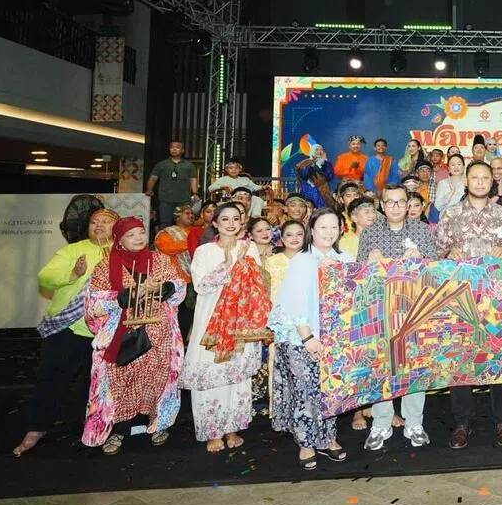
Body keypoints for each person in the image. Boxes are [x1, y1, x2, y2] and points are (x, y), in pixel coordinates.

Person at [13, 208, 119, 457]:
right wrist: (74, 273)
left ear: (117, 227)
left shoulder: (124, 252)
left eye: (105, 222)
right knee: (52, 379)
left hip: (107, 331)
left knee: (97, 385)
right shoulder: (73, 250)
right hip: (69, 328)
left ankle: (95, 429)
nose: (98, 225)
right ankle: (37, 427)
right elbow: (45, 278)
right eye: (94, 222)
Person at [82, 217, 186, 454]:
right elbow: (95, 303)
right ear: (119, 240)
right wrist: (130, 295)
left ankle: (158, 424)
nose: (138, 238)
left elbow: (178, 287)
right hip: (123, 333)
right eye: (131, 235)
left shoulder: (160, 259)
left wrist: (163, 288)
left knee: (158, 377)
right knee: (121, 380)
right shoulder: (106, 266)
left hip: (159, 330)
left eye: (141, 233)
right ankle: (118, 430)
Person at [436, 161, 502, 449]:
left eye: (485, 177)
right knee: (460, 359)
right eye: (475, 177)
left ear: (491, 181)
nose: (481, 182)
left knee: (500, 357)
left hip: (496, 300)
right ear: (466, 181)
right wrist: (448, 253)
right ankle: (462, 422)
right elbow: (437, 256)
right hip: (461, 300)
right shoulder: (451, 215)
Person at [358, 185, 438, 450]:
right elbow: (358, 277)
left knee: (414, 365)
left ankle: (414, 422)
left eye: (400, 202)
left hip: (414, 310)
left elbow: (436, 271)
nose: (395, 207)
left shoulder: (422, 230)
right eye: (390, 202)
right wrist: (369, 263)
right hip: (380, 311)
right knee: (382, 366)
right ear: (382, 205)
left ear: (408, 204)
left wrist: (421, 258)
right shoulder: (370, 233)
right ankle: (381, 423)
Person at [269, 208, 350, 470]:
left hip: (333, 338)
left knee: (329, 389)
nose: (329, 232)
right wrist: (308, 338)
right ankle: (306, 443)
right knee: (304, 391)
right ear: (312, 230)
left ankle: (327, 438)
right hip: (300, 337)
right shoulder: (302, 261)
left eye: (334, 227)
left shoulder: (344, 259)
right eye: (322, 227)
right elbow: (294, 303)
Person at [183, 204, 265, 453]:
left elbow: (258, 283)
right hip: (211, 319)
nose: (231, 224)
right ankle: (213, 431)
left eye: (236, 219)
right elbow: (200, 285)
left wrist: (243, 265)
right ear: (215, 223)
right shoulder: (204, 251)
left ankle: (232, 428)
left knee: (237, 377)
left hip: (240, 320)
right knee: (212, 373)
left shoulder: (249, 247)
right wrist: (226, 265)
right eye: (225, 219)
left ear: (242, 223)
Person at [146, 141, 199, 228]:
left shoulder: (189, 165)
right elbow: (153, 178)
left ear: (183, 150)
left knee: (185, 223)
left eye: (177, 147)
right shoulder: (161, 164)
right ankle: (165, 237)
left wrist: (195, 193)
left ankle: (183, 237)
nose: (174, 149)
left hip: (183, 200)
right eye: (172, 147)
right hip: (166, 200)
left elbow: (193, 180)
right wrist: (149, 189)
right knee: (165, 224)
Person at [155, 203, 195, 278]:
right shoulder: (167, 233)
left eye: (192, 213)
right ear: (177, 217)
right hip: (176, 276)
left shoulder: (197, 231)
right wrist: (191, 243)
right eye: (187, 213)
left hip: (196, 276)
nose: (191, 216)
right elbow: (166, 249)